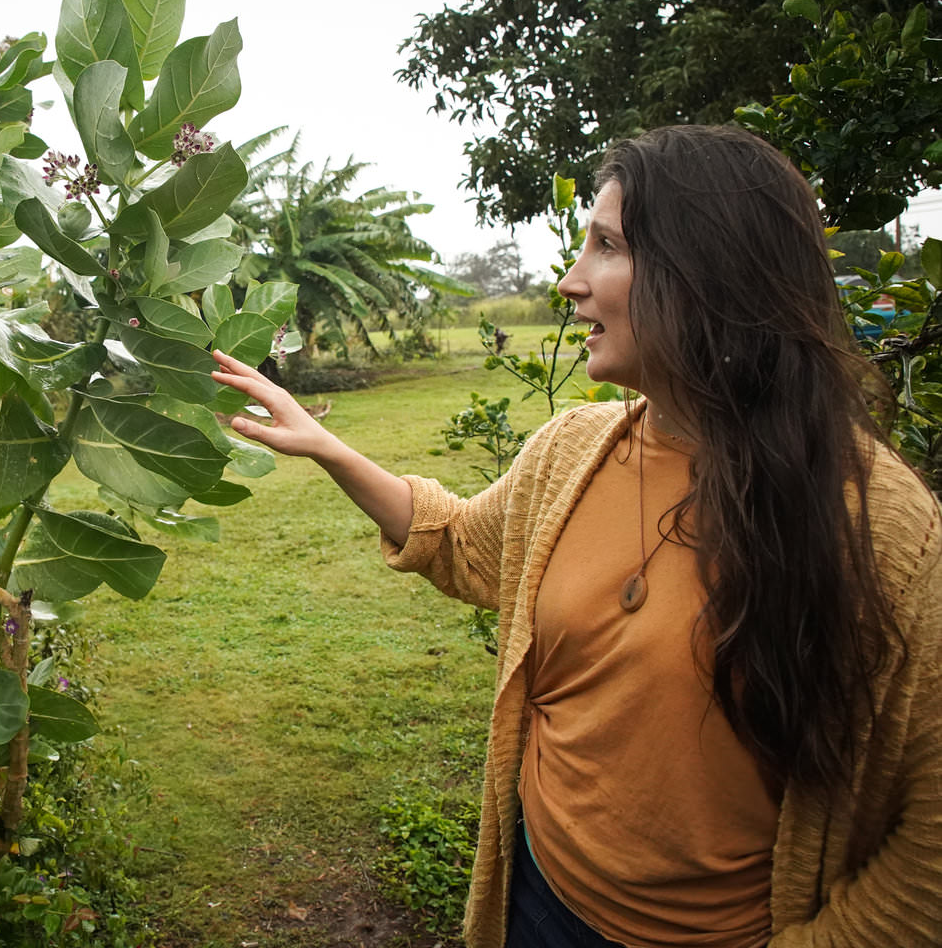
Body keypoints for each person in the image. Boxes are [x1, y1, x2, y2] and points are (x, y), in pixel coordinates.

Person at [210, 124, 942, 948]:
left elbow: (928, 851)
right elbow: (460, 540)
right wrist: (328, 446)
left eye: (607, 247)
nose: (569, 281)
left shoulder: (882, 524)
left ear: (709, 271)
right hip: (536, 901)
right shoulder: (571, 455)